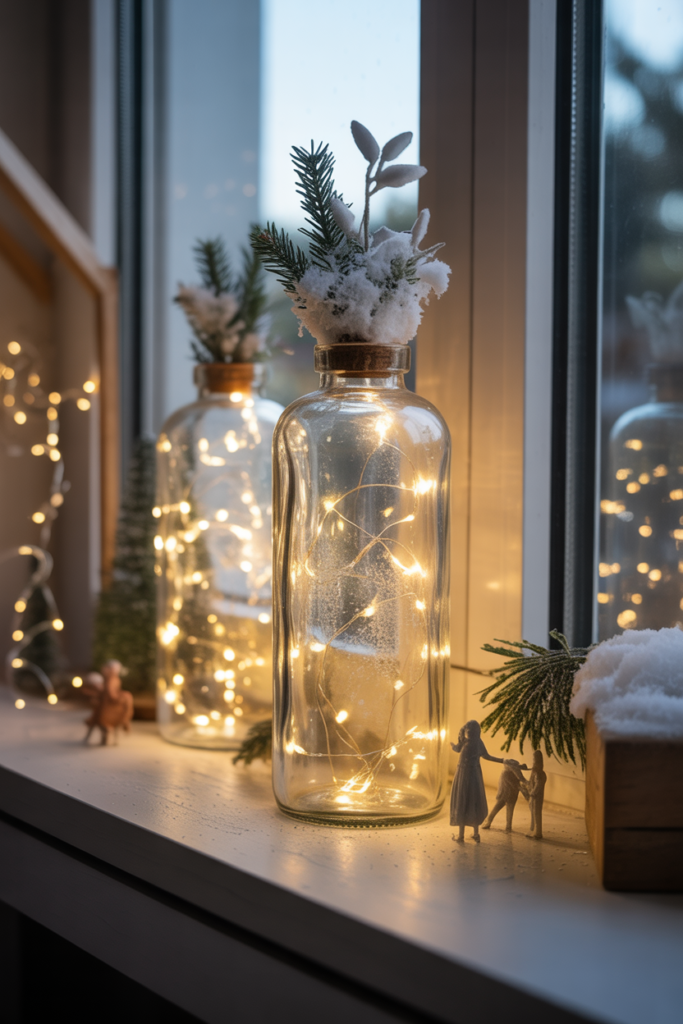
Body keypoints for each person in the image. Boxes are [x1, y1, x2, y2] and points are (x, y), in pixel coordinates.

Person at [450, 720, 505, 842]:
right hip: (466, 774)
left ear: (476, 732)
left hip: (469, 775)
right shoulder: (469, 742)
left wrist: (501, 760)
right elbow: (458, 749)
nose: (469, 733)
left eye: (470, 731)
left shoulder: (475, 743)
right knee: (464, 801)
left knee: (469, 801)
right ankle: (465, 834)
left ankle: (471, 834)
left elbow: (487, 756)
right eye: (467, 731)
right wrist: (456, 742)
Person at [481, 758, 529, 833]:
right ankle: (489, 820)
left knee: (510, 807)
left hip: (513, 793)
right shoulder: (506, 774)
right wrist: (523, 788)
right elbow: (517, 783)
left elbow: (520, 779)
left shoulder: (514, 771)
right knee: (498, 805)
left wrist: (525, 786)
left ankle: (508, 826)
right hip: (505, 792)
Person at [526, 749, 547, 839]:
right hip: (534, 796)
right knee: (534, 813)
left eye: (534, 759)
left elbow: (538, 785)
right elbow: (532, 783)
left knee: (537, 813)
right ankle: (535, 831)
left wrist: (532, 793)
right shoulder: (535, 773)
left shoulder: (539, 774)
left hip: (536, 797)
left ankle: (538, 833)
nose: (533, 762)